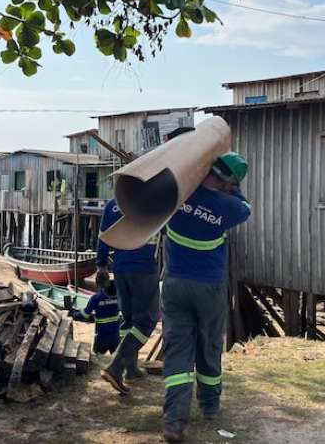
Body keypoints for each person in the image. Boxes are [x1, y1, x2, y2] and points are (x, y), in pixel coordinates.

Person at [161, 151, 251, 443]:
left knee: (177, 351)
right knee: (210, 345)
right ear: (228, 182)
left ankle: (174, 421)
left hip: (174, 284)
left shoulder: (178, 194)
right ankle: (210, 407)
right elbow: (246, 206)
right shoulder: (229, 207)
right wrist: (232, 186)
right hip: (209, 287)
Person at [98, 198, 161, 395]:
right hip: (144, 269)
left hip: (121, 268)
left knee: (129, 319)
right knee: (147, 321)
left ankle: (131, 369)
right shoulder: (155, 202)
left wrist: (101, 265)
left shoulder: (113, 204)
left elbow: (103, 237)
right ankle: (116, 367)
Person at [71, 276, 121, 355]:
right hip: (116, 336)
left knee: (97, 358)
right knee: (117, 360)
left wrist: (73, 314)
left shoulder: (96, 298)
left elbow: (84, 315)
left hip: (102, 336)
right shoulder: (119, 297)